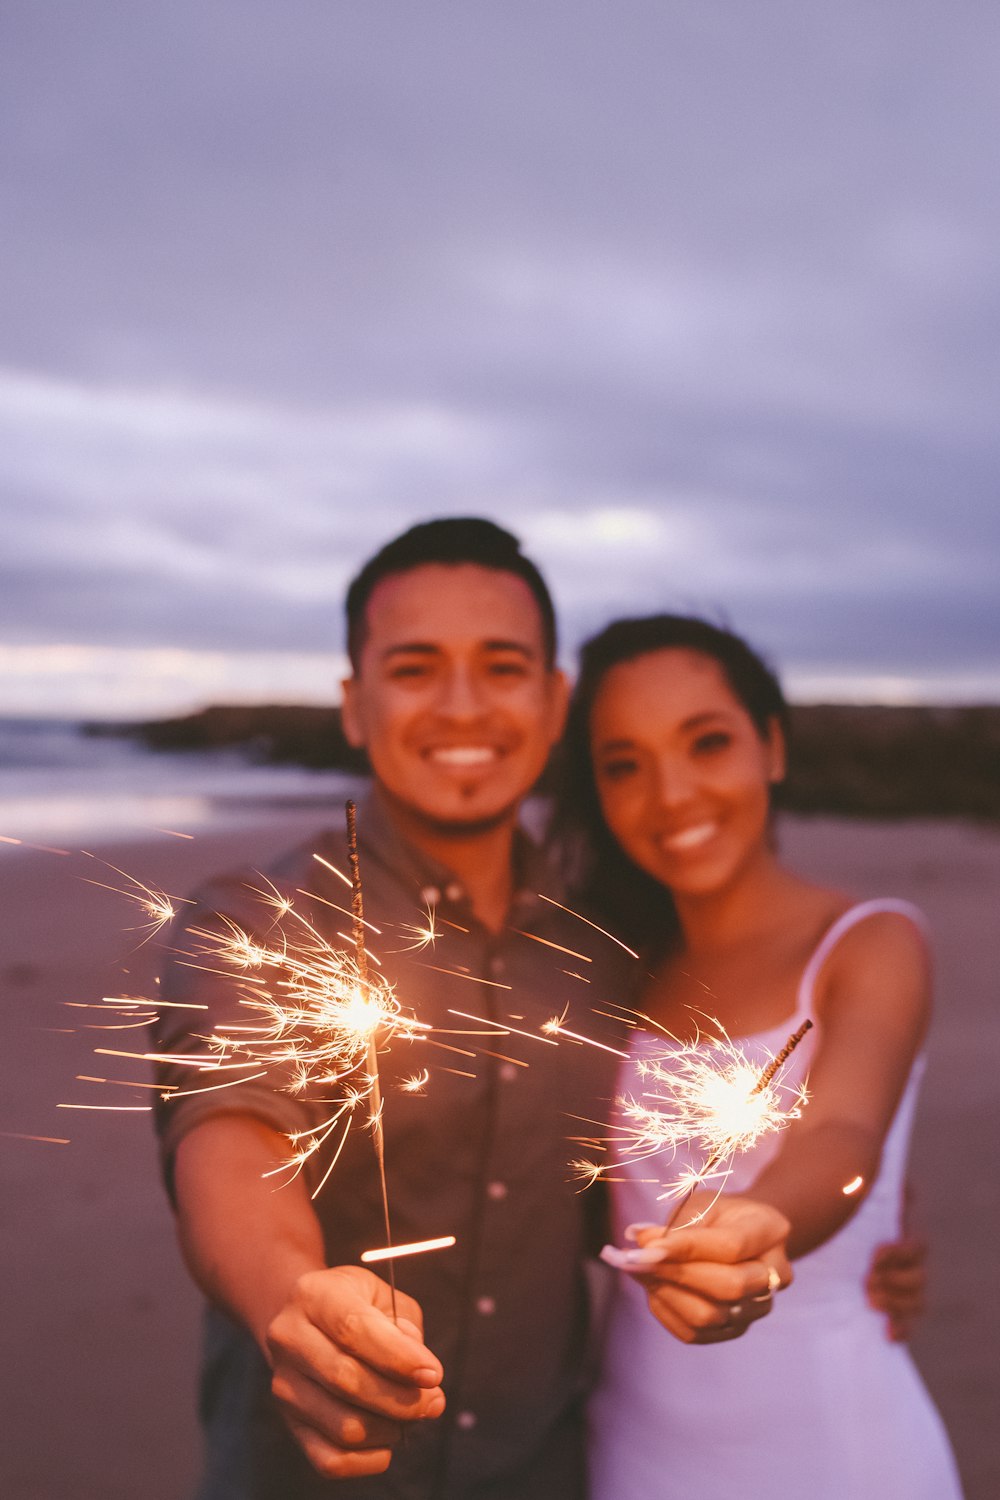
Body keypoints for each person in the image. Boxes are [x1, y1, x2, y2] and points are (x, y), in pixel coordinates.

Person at [153, 520, 791, 1500]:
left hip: (546, 1471)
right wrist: (288, 1293)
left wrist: (843, 1242)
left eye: (501, 667)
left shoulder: (605, 949)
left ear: (551, 702)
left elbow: (615, 1197)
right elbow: (231, 1135)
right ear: (354, 707)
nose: (462, 707)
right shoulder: (255, 921)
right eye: (414, 668)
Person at [551, 613, 963, 1499]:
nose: (672, 794)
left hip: (830, 1450)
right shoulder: (616, 969)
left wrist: (758, 1221)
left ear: (771, 745)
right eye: (625, 764)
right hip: (628, 1444)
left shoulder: (866, 944)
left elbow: (843, 1135)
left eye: (707, 743)